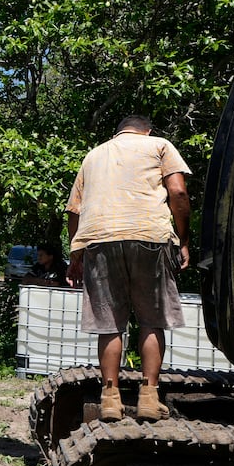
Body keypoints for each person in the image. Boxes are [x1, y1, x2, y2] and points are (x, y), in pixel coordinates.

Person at [66, 115, 192, 422]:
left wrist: (76, 255)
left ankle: (110, 399)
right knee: (151, 321)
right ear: (147, 130)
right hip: (149, 236)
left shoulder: (94, 155)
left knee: (109, 324)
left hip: (100, 239)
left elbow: (74, 210)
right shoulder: (159, 145)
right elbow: (177, 192)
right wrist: (184, 240)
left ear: (118, 132)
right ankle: (149, 398)